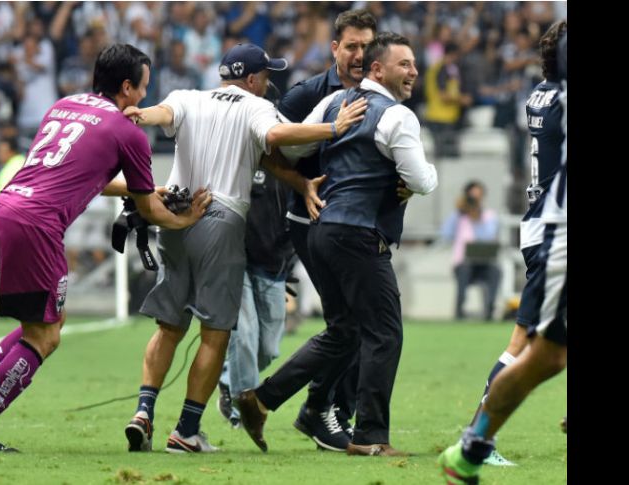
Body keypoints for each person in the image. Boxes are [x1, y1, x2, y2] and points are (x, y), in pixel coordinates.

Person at [0, 43, 212, 453]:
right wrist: (186, 218)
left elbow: (83, 173)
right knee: (46, 336)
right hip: (37, 225)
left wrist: (148, 188)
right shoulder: (129, 130)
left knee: (49, 318)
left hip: (3, 211)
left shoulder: (63, 106)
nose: (144, 96)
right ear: (126, 86)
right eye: (143, 87)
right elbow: (151, 212)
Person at [121, 42, 367, 454]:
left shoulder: (189, 97)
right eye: (266, 76)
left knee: (169, 327)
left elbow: (160, 114)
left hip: (177, 216)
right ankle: (186, 429)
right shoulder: (255, 107)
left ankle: (143, 411)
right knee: (216, 334)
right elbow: (276, 137)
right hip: (222, 220)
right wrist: (333, 127)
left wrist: (140, 115)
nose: (268, 83)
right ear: (252, 79)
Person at [237, 32, 438, 457]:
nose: (414, 71)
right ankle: (369, 436)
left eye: (415, 64)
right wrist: (414, 179)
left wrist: (322, 168)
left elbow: (292, 145)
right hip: (360, 233)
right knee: (384, 333)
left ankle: (261, 399)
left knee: (345, 330)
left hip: (321, 230)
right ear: (379, 69)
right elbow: (421, 180)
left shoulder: (334, 104)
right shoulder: (399, 117)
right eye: (405, 64)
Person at [442, 19, 567, 473]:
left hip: (542, 223)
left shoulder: (542, 94)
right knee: (525, 341)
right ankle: (476, 437)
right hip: (556, 231)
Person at [277, 8, 377, 451]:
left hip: (361, 225)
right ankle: (319, 410)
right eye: (351, 46)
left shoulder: (381, 94)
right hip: (311, 221)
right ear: (334, 48)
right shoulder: (306, 96)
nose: (359, 55)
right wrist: (301, 184)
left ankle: (330, 410)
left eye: (366, 47)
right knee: (351, 321)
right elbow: (267, 148)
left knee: (358, 320)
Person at [217, 165, 293, 428]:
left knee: (269, 349)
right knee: (244, 335)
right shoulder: (242, 158)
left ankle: (227, 379)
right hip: (236, 259)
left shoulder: (302, 166)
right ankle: (244, 411)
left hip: (275, 263)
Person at [440, 181, 501, 321]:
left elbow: (488, 237)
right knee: (464, 271)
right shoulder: (458, 216)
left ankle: (489, 310)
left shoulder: (489, 216)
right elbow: (445, 235)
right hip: (463, 263)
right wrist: (458, 214)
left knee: (496, 271)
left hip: (484, 263)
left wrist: (477, 219)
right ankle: (459, 312)